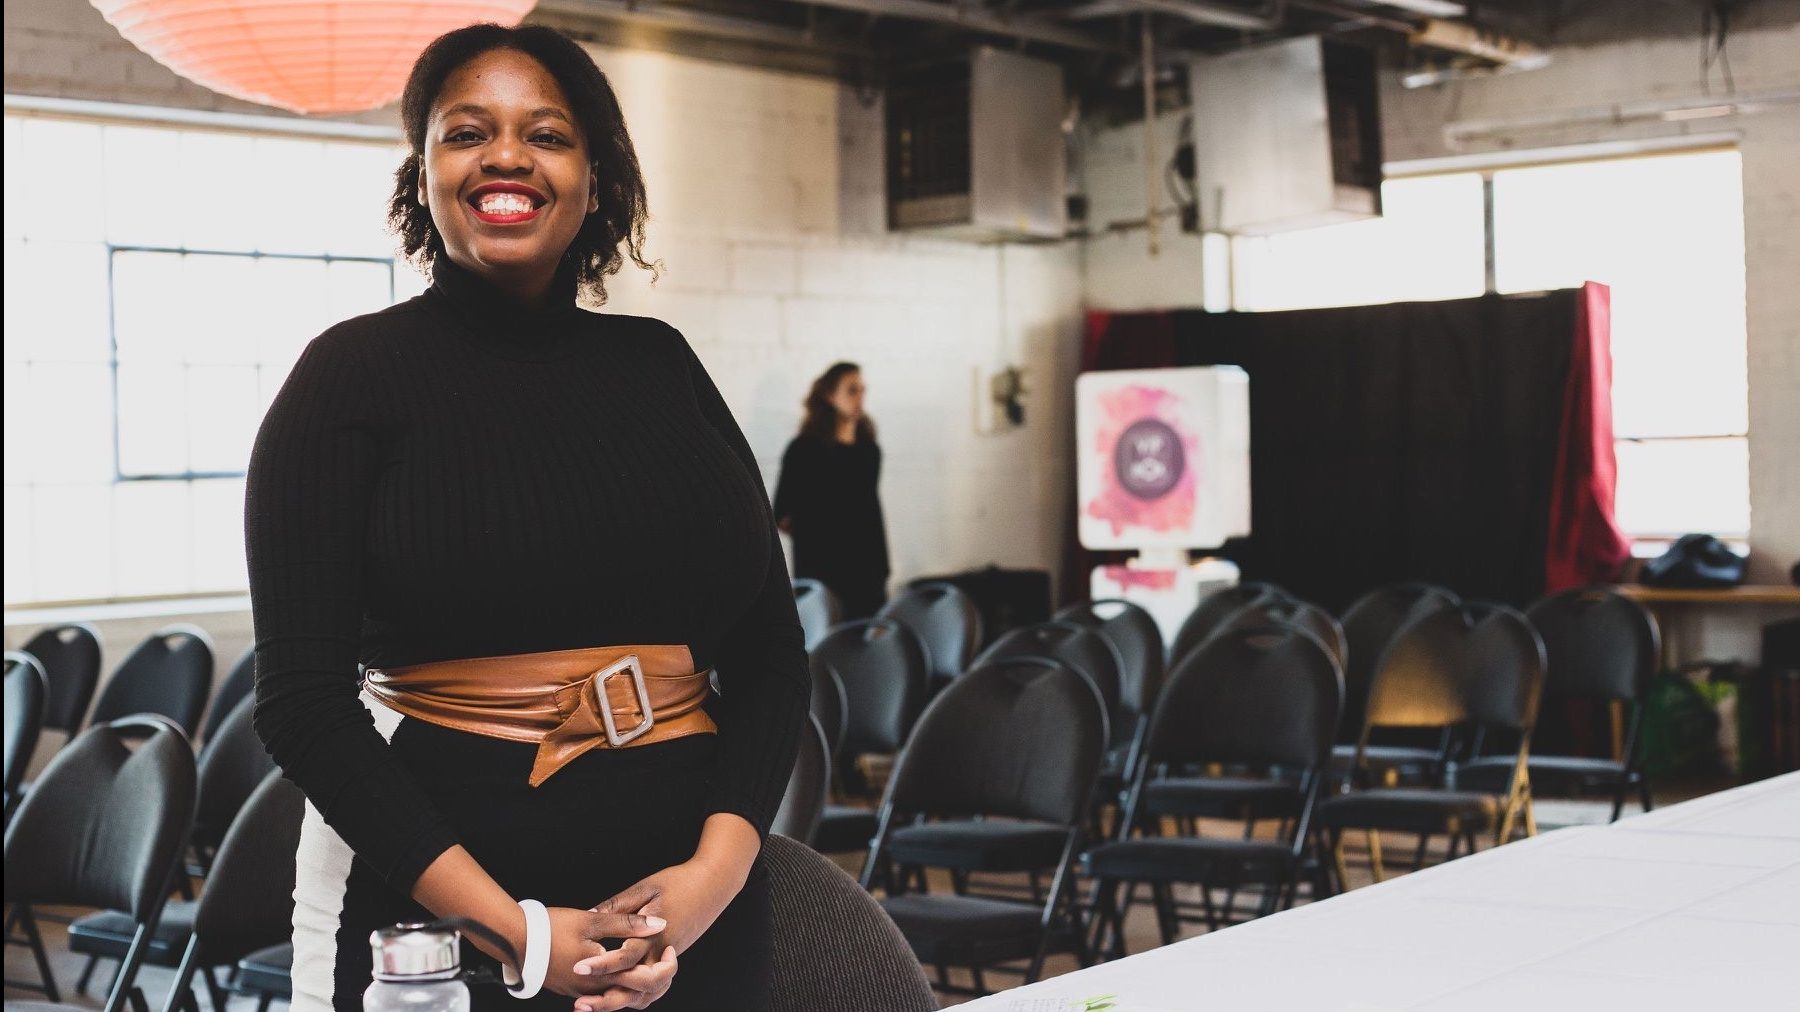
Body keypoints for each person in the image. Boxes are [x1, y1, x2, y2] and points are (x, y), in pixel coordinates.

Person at [245, 24, 808, 1012]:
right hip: (437, 918)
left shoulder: (662, 367)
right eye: (467, 132)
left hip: (690, 920)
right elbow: (301, 703)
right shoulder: (348, 375)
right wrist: (523, 934)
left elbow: (773, 657)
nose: (506, 155)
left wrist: (709, 882)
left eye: (546, 135)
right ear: (424, 175)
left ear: (595, 180)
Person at [772, 363, 891, 619]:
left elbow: (869, 509)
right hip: (822, 570)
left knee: (866, 635)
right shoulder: (803, 449)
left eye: (862, 390)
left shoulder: (869, 450)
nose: (860, 397)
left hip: (867, 568)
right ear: (829, 395)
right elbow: (781, 514)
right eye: (851, 390)